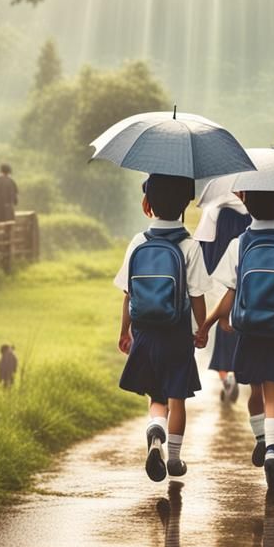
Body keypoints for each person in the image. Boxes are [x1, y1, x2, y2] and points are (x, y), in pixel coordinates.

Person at [196, 190, 274, 494]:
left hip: (247, 331)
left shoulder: (239, 244)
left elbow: (231, 294)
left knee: (255, 392)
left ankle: (261, 439)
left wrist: (207, 323)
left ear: (246, 204)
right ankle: (273, 450)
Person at [115, 174, 209, 482]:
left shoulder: (138, 242)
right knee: (177, 397)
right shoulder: (190, 245)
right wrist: (201, 328)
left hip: (145, 332)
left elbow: (128, 294)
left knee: (156, 396)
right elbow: (197, 296)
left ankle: (155, 432)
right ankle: (174, 459)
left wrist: (124, 331)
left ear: (146, 204)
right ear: (185, 205)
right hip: (177, 333)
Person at [194, 192, 252, 403]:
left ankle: (227, 378)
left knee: (223, 332)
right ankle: (241, 375)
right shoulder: (251, 209)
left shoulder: (212, 209)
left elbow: (204, 255)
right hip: (248, 287)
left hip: (221, 287)